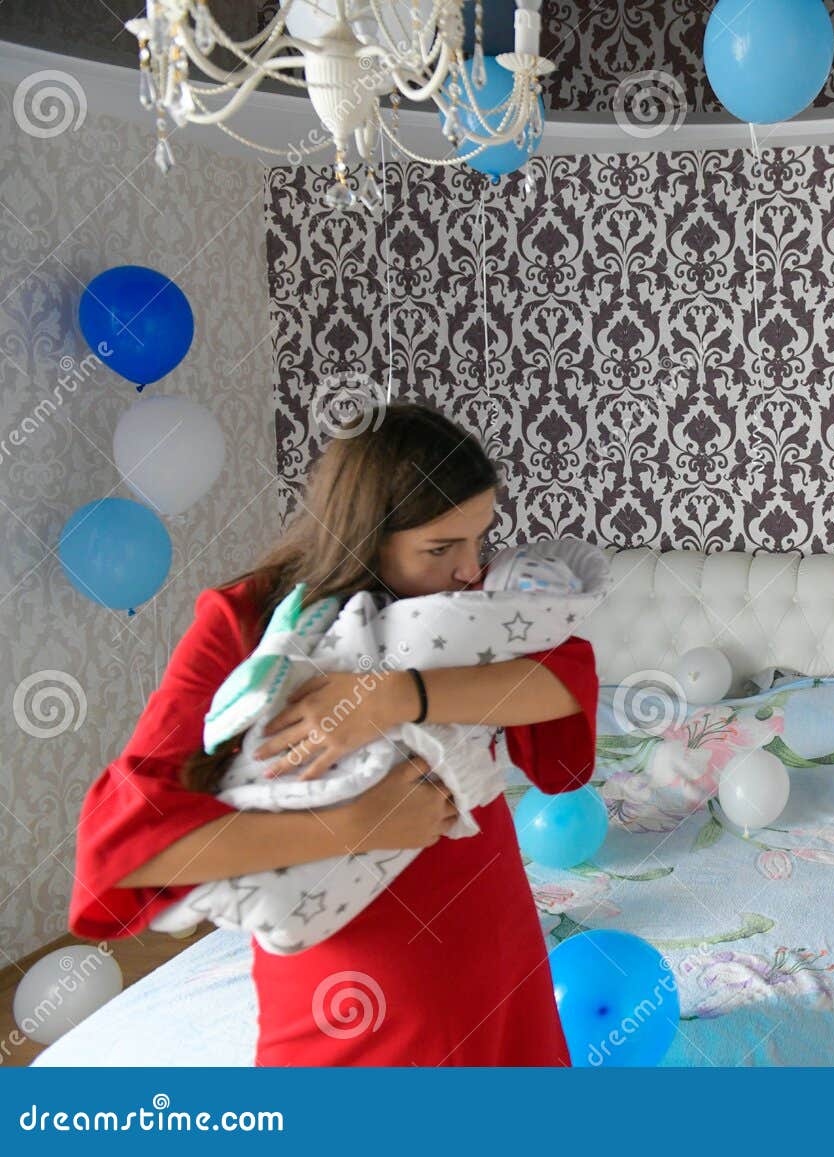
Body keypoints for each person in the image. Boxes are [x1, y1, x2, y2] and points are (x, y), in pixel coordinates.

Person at [68, 403, 599, 1065]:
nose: (470, 569)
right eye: (440, 548)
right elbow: (118, 850)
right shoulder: (245, 621)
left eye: (480, 539)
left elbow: (566, 678)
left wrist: (393, 695)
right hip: (348, 1005)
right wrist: (355, 826)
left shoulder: (474, 607)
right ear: (365, 536)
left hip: (498, 959)